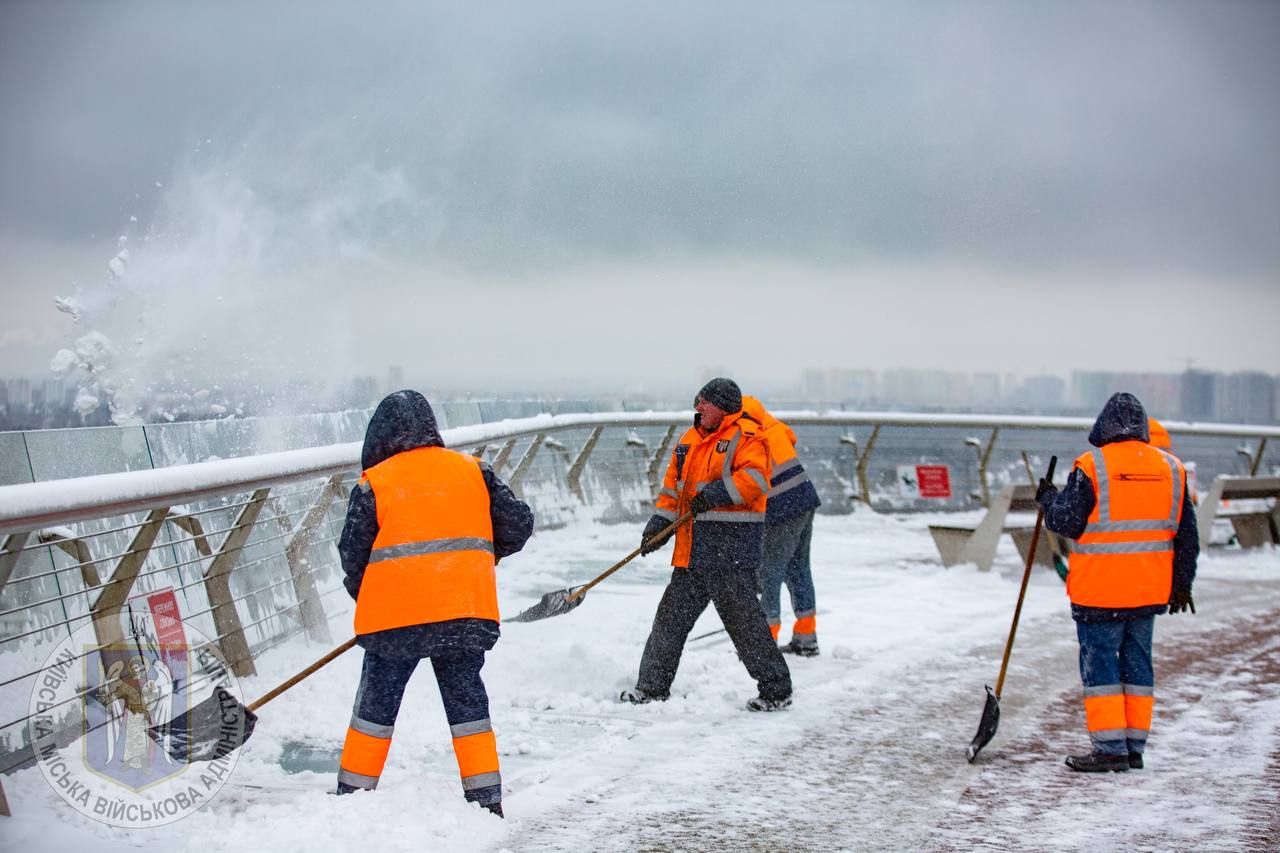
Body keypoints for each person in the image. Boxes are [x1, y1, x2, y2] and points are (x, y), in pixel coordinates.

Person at [336, 390, 534, 816]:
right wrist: (478, 557)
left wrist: (371, 596)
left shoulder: (376, 483)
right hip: (464, 610)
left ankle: (351, 800)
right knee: (469, 710)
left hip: (394, 620)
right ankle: (486, 802)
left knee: (375, 707)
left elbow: (353, 555)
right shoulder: (474, 471)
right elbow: (518, 524)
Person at [1037, 392, 1198, 773]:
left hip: (1100, 591)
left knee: (1102, 667)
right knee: (1138, 665)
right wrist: (1182, 583)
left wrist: (1048, 500)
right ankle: (1133, 747)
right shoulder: (1172, 469)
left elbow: (1066, 523)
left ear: (1103, 427)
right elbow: (1186, 536)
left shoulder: (1092, 467)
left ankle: (1110, 749)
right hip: (1147, 590)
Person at [621, 378, 793, 711]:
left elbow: (756, 480)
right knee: (669, 621)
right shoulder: (689, 440)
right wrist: (659, 524)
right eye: (697, 401)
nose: (698, 407)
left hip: (730, 553)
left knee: (745, 626)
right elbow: (673, 490)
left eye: (705, 402)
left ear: (724, 407)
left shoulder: (748, 437)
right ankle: (652, 687)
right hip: (693, 552)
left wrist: (715, 494)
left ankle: (776, 690)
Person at [741, 395, 823, 656]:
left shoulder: (747, 433)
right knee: (799, 568)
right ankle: (806, 636)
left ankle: (764, 643)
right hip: (805, 499)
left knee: (769, 573)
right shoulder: (773, 426)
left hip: (782, 509)